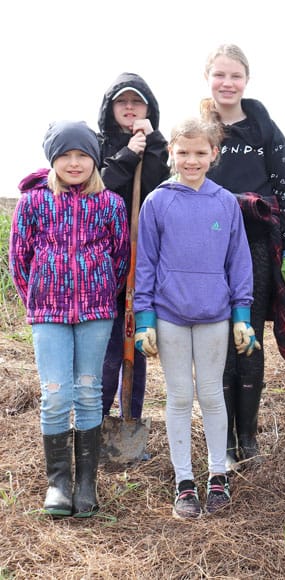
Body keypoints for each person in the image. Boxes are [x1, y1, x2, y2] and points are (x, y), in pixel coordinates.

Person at [134, 118, 256, 518]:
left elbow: (239, 261)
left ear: (213, 155)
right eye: (183, 152)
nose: (191, 160)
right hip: (169, 314)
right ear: (171, 152)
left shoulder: (225, 202)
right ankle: (184, 480)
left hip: (214, 315)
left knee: (211, 394)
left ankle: (217, 474)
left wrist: (242, 314)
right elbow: (146, 264)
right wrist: (144, 318)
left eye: (200, 152)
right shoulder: (157, 202)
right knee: (180, 396)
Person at [10, 121, 130, 517]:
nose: (74, 163)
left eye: (82, 155)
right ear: (53, 159)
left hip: (96, 312)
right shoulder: (33, 202)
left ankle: (86, 484)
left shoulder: (110, 203)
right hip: (48, 313)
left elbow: (120, 257)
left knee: (88, 390)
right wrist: (41, 298)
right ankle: (58, 482)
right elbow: (19, 260)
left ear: (94, 160)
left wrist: (98, 292)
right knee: (56, 393)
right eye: (65, 155)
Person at [200, 44, 285, 471]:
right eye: (220, 75)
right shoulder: (199, 128)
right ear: (208, 78)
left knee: (249, 341)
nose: (228, 83)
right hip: (208, 251)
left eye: (235, 76)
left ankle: (248, 436)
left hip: (258, 247)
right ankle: (221, 438)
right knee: (216, 345)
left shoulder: (265, 129)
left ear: (247, 80)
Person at [97, 72, 169, 423]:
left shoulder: (159, 145)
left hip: (142, 256)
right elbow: (99, 190)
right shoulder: (96, 144)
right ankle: (96, 416)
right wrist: (127, 155)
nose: (129, 107)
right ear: (110, 108)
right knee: (108, 343)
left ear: (148, 108)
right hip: (103, 260)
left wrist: (150, 143)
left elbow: (156, 184)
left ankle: (131, 417)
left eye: (136, 101)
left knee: (135, 341)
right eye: (122, 102)